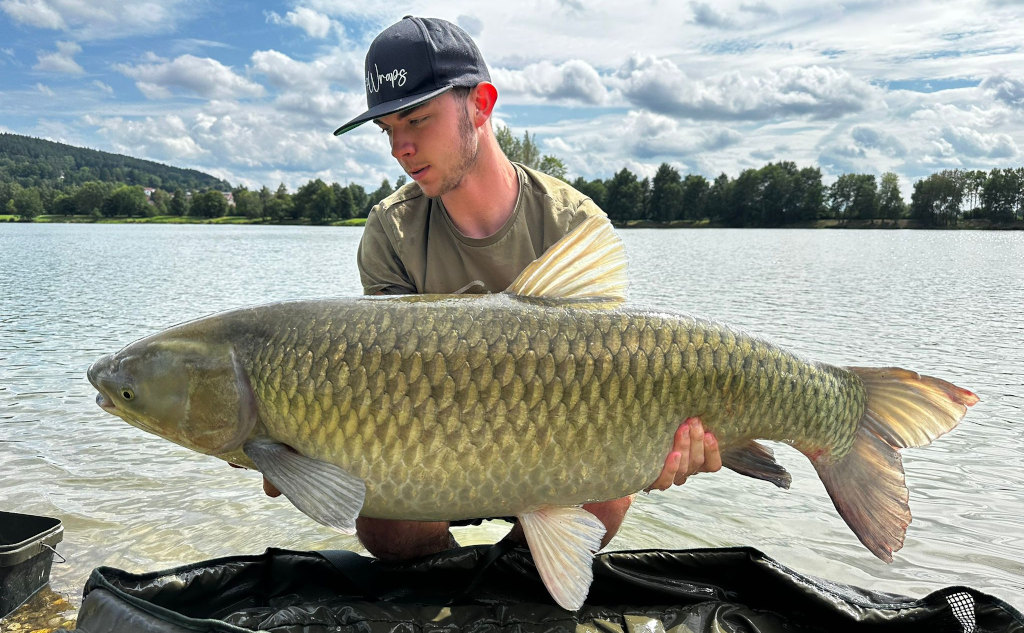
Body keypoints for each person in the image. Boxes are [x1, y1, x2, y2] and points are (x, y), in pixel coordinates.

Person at [261, 15, 722, 561]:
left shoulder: (573, 223)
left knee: (610, 491)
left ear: (480, 103)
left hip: (559, 446)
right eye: (388, 130)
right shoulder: (392, 231)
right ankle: (450, 597)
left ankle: (521, 587)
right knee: (384, 522)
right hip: (426, 452)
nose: (399, 149)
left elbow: (608, 379)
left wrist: (654, 451)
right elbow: (383, 380)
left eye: (416, 119)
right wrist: (302, 446)